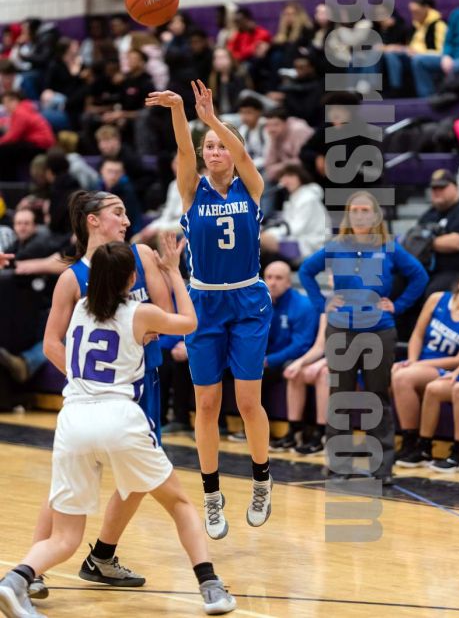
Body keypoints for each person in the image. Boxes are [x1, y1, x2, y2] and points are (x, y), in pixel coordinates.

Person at [0, 238, 236, 617]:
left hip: (74, 418)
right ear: (131, 279)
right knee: (179, 503)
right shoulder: (141, 313)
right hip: (119, 417)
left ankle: (16, 580)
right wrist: (173, 272)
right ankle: (211, 588)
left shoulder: (79, 309)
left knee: (65, 537)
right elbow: (190, 322)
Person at [28, 189, 173, 599]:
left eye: (125, 213)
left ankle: (102, 556)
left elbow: (164, 315)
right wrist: (88, 381)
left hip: (143, 384)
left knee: (141, 477)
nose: (126, 220)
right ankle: (34, 567)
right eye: (117, 213)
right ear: (93, 220)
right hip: (94, 396)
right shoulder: (71, 278)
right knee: (67, 482)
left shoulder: (141, 257)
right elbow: (51, 343)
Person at [145, 79, 273, 540]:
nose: (215, 151)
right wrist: (180, 111)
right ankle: (212, 495)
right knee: (206, 402)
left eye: (221, 146)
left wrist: (213, 119)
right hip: (204, 303)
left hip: (248, 301)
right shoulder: (191, 191)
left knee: (248, 401)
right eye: (209, 147)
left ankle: (261, 480)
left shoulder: (250, 187)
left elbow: (242, 155)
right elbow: (184, 148)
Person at [299, 191, 429, 484]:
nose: (359, 215)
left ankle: (382, 470)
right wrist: (322, 304)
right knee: (340, 398)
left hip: (379, 330)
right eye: (354, 210)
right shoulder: (336, 247)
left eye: (365, 210)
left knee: (377, 398)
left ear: (375, 215)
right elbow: (306, 271)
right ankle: (339, 466)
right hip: (341, 330)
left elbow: (419, 276)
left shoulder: (389, 247)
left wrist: (398, 305)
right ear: (348, 215)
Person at [392, 273, 459, 467]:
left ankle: (413, 442)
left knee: (403, 377)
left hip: (444, 366)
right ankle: (408, 441)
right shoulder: (437, 299)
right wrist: (412, 360)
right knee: (392, 373)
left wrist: (419, 365)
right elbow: (417, 334)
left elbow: (458, 360)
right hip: (421, 361)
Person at [270, 313, 328, 455]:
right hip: (329, 360)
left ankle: (322, 435)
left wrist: (323, 362)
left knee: (324, 374)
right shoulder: (328, 312)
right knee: (295, 373)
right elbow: (319, 348)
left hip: (353, 363)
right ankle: (295, 432)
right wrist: (300, 363)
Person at [414, 169, 459, 295]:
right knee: (397, 284)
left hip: (457, 271)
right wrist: (436, 241)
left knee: (433, 291)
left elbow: (457, 243)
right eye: (434, 188)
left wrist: (425, 242)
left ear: (455, 188)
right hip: (427, 269)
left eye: (442, 187)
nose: (437, 191)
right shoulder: (429, 214)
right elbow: (413, 240)